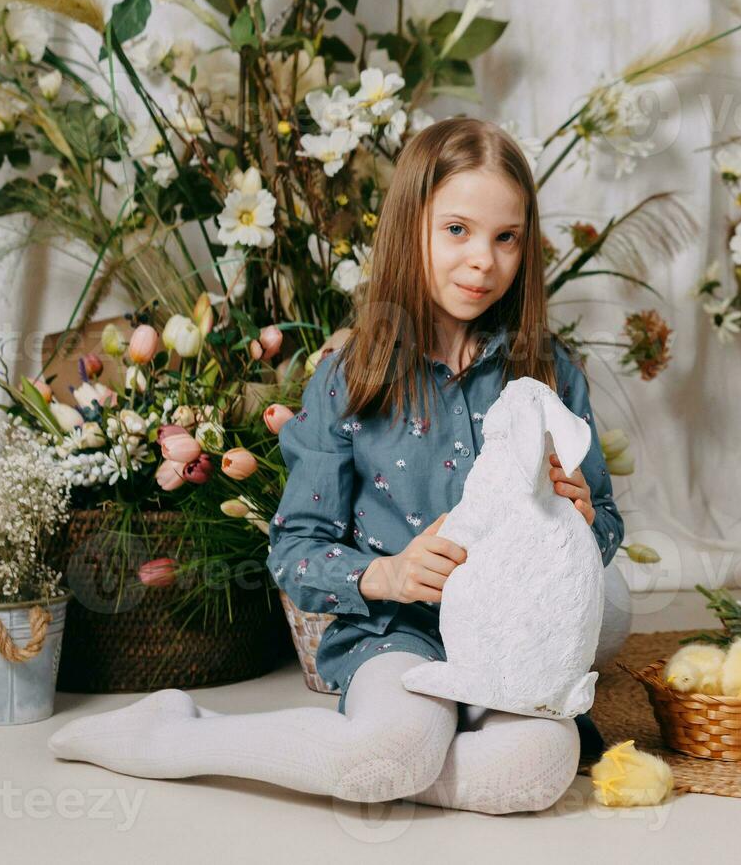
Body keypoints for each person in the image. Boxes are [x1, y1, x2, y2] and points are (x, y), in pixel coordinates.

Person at [48, 116, 624, 814]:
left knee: (536, 766)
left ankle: (383, 760)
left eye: (507, 238)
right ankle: (172, 736)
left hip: (515, 641)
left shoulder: (550, 372)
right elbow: (295, 549)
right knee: (389, 754)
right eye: (458, 231)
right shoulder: (352, 378)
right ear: (411, 225)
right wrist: (386, 573)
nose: (483, 261)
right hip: (399, 632)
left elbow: (602, 529)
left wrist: (584, 521)